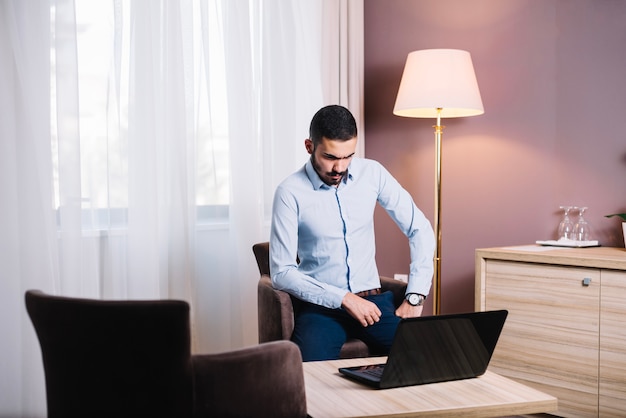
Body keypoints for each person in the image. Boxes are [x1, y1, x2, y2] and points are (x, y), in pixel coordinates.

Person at [269, 105, 435, 361]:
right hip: (320, 309)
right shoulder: (289, 192)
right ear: (309, 146)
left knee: (426, 359)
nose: (340, 167)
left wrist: (415, 296)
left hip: (373, 304)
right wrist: (343, 298)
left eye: (348, 156)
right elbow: (282, 273)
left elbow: (419, 228)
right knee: (307, 375)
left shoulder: (373, 173)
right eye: (331, 157)